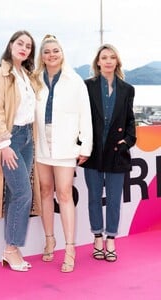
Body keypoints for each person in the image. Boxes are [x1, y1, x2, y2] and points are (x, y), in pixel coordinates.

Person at [0, 30, 41, 272]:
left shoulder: (27, 75)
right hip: (10, 139)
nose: (24, 48)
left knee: (18, 195)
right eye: (20, 43)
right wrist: (4, 145)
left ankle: (11, 249)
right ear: (11, 45)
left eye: (28, 46)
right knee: (23, 193)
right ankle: (11, 249)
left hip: (27, 138)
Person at [34, 34, 93, 272]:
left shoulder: (74, 80)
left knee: (65, 193)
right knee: (45, 191)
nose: (51, 55)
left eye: (55, 50)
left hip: (66, 146)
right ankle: (49, 239)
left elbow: (84, 115)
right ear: (42, 56)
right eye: (47, 51)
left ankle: (70, 247)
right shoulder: (35, 79)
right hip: (41, 146)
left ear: (62, 53)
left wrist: (85, 146)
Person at [81, 44, 136, 262]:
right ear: (98, 62)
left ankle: (111, 238)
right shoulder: (87, 86)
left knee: (114, 199)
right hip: (93, 152)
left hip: (117, 153)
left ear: (117, 61)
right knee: (94, 198)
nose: (108, 61)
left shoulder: (127, 89)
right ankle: (97, 237)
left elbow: (130, 120)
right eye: (104, 57)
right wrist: (81, 144)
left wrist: (127, 142)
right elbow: (81, 118)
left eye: (112, 57)